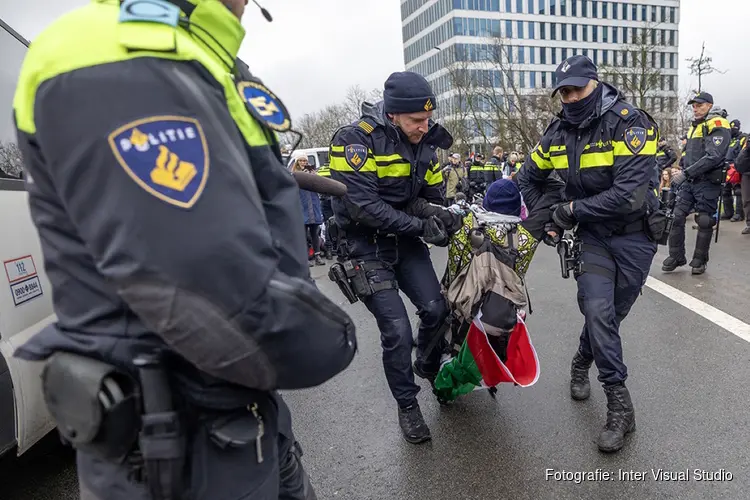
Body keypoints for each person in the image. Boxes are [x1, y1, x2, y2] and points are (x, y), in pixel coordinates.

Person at [11, 0, 358, 498]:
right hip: (179, 440)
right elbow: (212, 295)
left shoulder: (198, 51)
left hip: (240, 418)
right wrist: (331, 338)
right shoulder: (122, 53)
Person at [517, 55, 659, 454]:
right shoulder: (557, 131)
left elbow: (629, 195)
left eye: (577, 89)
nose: (570, 97)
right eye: (563, 91)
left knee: (611, 316)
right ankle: (619, 404)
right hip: (592, 238)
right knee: (598, 311)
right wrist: (547, 216)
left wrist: (572, 210)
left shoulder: (631, 123)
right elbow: (529, 176)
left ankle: (583, 358)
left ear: (595, 84)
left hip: (634, 237)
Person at [329, 71, 461, 444]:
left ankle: (428, 364)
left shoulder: (427, 142)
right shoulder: (355, 139)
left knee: (437, 310)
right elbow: (362, 206)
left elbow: (425, 198)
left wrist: (441, 216)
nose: (425, 127)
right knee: (397, 332)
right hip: (364, 246)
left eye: (428, 119)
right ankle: (408, 405)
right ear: (392, 115)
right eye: (417, 121)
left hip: (405, 243)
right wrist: (421, 227)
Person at [663, 93, 731, 275]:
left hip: (707, 181)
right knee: (676, 216)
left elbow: (714, 156)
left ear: (709, 105)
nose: (695, 108)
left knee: (704, 220)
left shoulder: (717, 123)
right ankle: (676, 256)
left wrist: (686, 173)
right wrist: (682, 170)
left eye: (699, 105)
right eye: (693, 105)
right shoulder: (696, 126)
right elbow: (690, 155)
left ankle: (700, 260)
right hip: (690, 180)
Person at [292, 155, 326, 266]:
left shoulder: (312, 172)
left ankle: (317, 255)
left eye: (305, 160)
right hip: (302, 206)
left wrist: (314, 176)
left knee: (314, 233)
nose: (303, 162)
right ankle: (305, 258)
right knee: (303, 234)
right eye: (301, 160)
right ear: (297, 162)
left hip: (313, 205)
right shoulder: (294, 174)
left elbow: (320, 186)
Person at [721, 119, 746, 222]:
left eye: (734, 128)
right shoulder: (729, 138)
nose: (732, 130)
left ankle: (739, 214)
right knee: (725, 190)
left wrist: (737, 165)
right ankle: (728, 212)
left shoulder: (742, 138)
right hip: (726, 167)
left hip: (736, 167)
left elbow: (743, 153)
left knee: (738, 191)